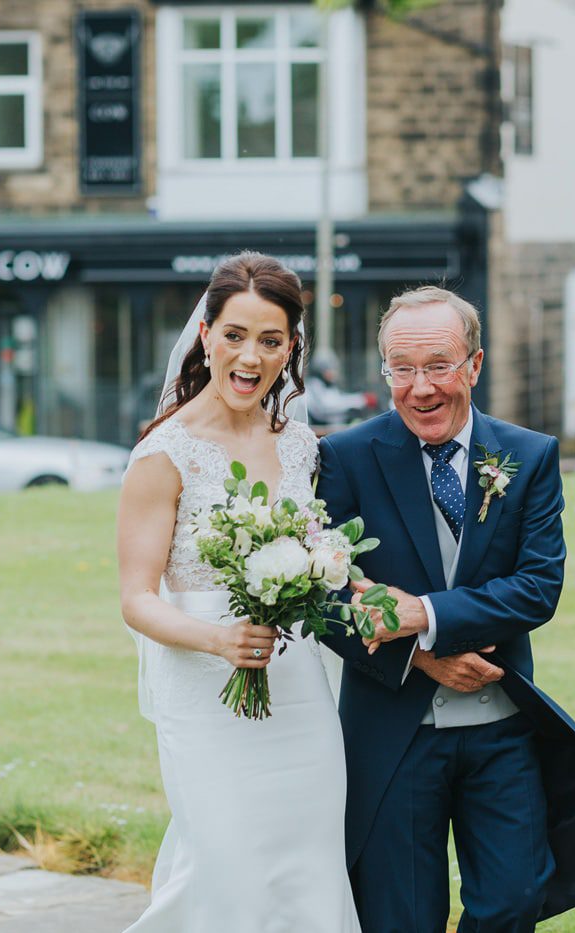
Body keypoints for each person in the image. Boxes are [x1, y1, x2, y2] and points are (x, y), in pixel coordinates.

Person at [316, 286, 575, 932]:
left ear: (476, 365)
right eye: (401, 368)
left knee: (514, 901)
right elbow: (323, 597)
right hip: (392, 734)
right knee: (401, 916)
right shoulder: (345, 457)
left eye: (438, 365)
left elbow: (538, 585)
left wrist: (426, 614)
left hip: (501, 729)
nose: (420, 387)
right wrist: (423, 656)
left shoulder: (529, 456)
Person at [117, 253, 359, 932]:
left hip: (299, 692)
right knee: (226, 867)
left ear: (291, 347)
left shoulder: (301, 447)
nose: (250, 356)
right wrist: (221, 638)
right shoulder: (163, 454)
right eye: (235, 335)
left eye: (271, 340)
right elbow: (136, 597)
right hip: (203, 689)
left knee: (307, 863)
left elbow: (320, 552)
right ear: (205, 335)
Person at [305, 353, 378, 426]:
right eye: (330, 369)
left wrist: (361, 398)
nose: (334, 373)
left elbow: (339, 399)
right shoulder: (314, 385)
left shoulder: (328, 385)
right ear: (321, 370)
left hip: (333, 426)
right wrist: (360, 400)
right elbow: (327, 407)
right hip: (320, 428)